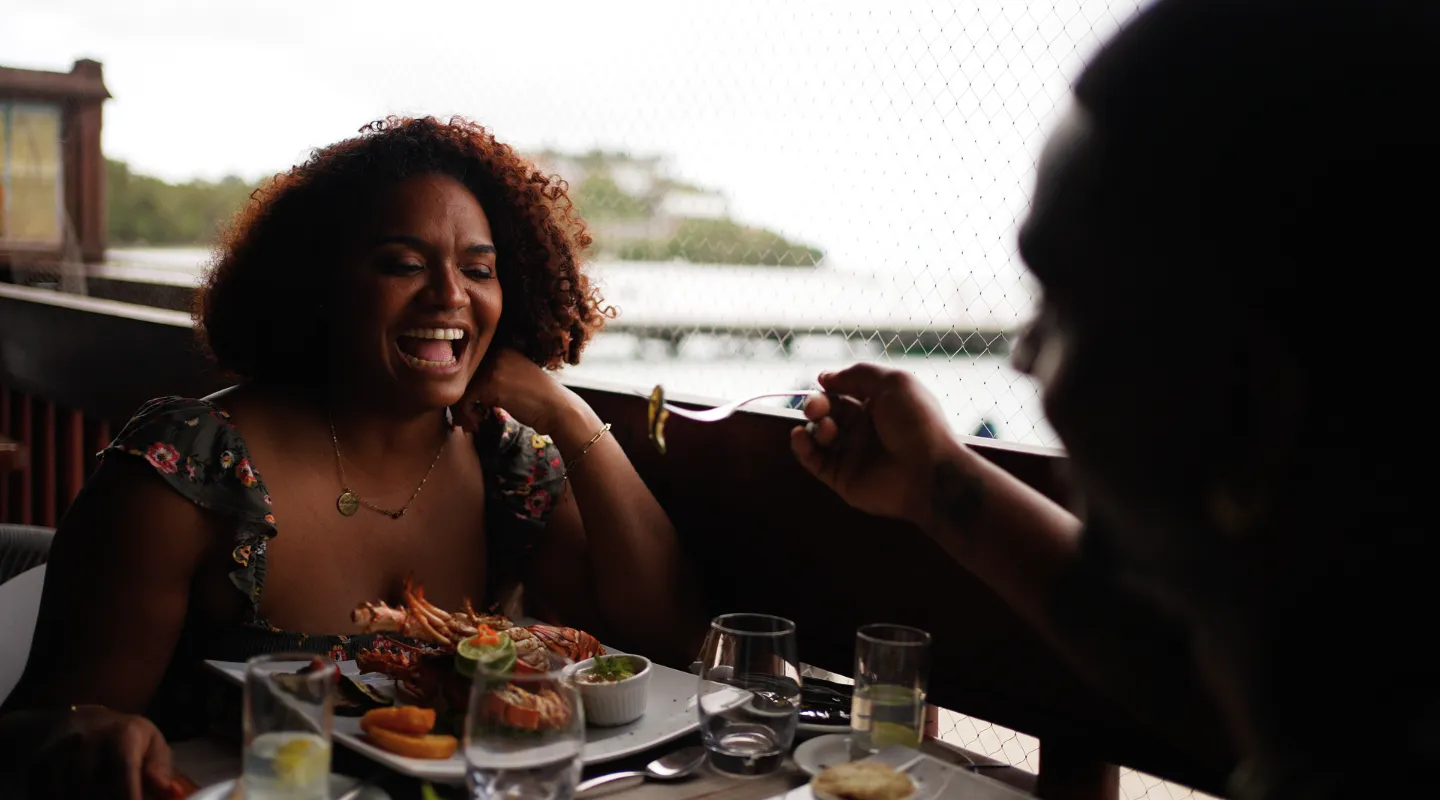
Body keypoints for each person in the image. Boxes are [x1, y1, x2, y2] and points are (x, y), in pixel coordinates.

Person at [793, 1, 1437, 797]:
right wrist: (932, 481)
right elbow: (1197, 667)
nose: (1023, 358)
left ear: (1252, 402)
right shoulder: (1361, 704)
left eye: (1060, 305)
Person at [0, 116, 700, 798]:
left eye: (478, 269)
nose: (449, 294)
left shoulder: (508, 467)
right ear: (321, 285)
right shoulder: (188, 469)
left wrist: (567, 413)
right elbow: (35, 729)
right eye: (404, 265)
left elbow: (670, 642)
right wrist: (94, 733)